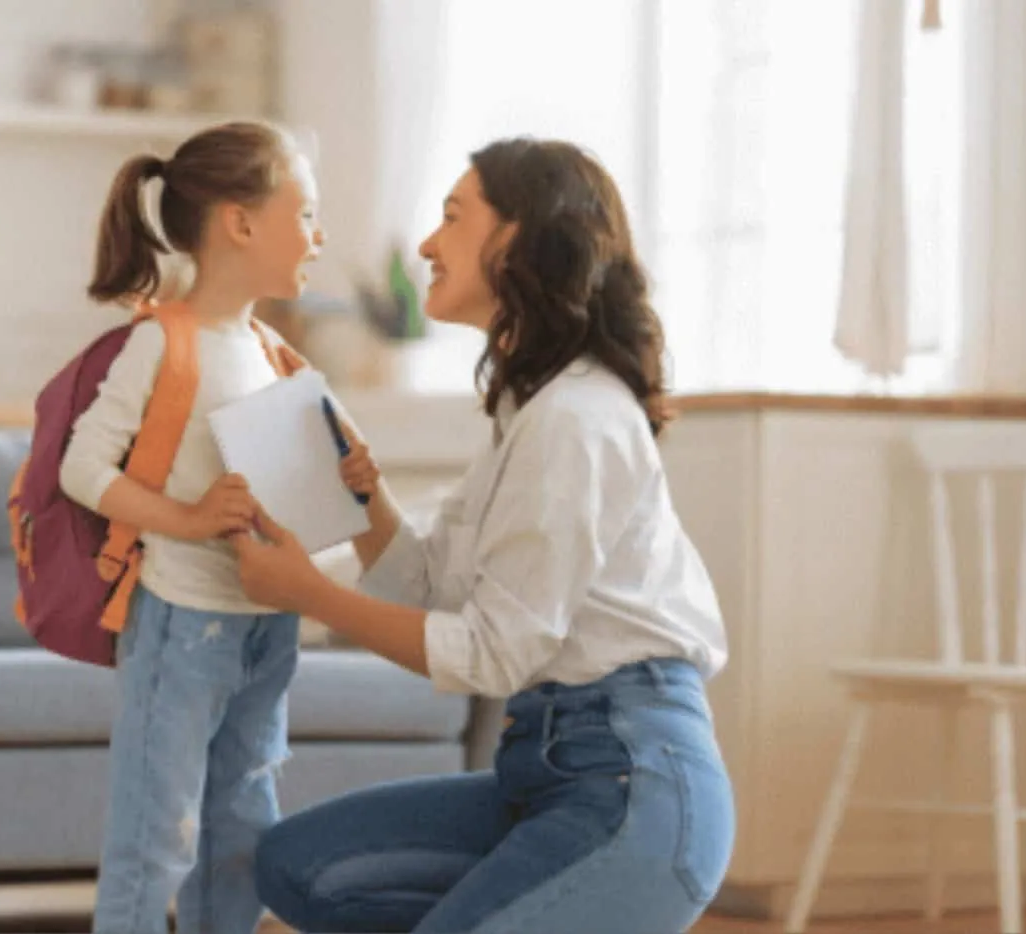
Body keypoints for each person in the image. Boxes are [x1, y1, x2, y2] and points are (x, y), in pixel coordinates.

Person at [232, 137, 735, 934]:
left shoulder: (575, 420)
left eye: (453, 217)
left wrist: (309, 595)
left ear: (521, 238)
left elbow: (494, 654)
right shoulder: (528, 411)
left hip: (630, 784)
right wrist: (364, 501)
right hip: (547, 771)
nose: (429, 243)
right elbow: (430, 588)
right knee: (298, 864)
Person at [57, 121, 326, 934]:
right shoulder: (161, 342)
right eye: (305, 213)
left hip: (266, 629)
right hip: (183, 626)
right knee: (156, 837)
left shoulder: (273, 353)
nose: (319, 236)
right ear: (240, 224)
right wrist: (188, 518)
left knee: (243, 837)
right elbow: (82, 468)